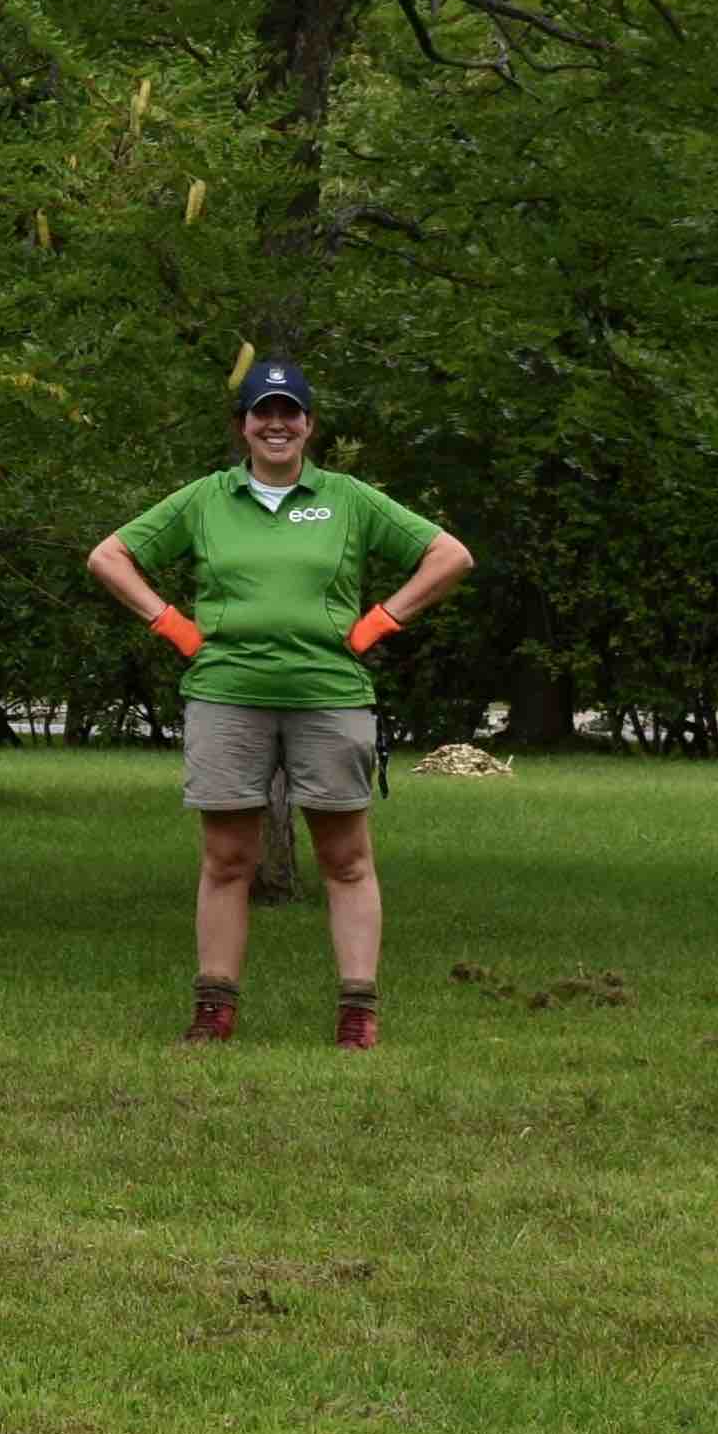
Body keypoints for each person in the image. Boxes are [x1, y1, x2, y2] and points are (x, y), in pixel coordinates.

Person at [87, 360, 471, 1049]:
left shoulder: (348, 499)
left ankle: (357, 1014)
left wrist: (381, 621)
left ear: (308, 424)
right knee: (226, 859)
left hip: (330, 695)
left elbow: (449, 556)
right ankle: (214, 1011)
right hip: (226, 695)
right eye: (262, 411)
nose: (276, 424)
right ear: (242, 425)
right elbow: (109, 556)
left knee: (346, 859)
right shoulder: (206, 499)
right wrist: (172, 625)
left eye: (289, 411)